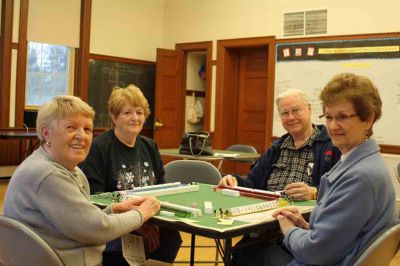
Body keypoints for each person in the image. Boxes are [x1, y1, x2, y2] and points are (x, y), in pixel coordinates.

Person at [236, 73, 399, 266]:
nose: (333, 126)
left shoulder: (360, 177)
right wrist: (305, 226)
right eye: (329, 117)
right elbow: (338, 234)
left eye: (343, 117)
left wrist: (289, 229)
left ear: (368, 119)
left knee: (246, 252)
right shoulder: (357, 163)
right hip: (330, 255)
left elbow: (316, 252)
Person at [4, 95, 160, 266]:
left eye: (87, 129)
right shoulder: (48, 175)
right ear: (46, 133)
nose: (81, 136)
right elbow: (97, 229)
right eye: (71, 128)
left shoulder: (65, 169)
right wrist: (142, 213)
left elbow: (78, 222)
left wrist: (112, 210)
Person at [80, 84, 182, 265]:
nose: (135, 118)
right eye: (127, 113)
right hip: (115, 224)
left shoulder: (150, 146)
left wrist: (150, 220)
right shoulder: (99, 148)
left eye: (140, 112)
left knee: (171, 237)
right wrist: (137, 223)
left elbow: (161, 188)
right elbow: (96, 199)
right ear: (114, 116)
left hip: (149, 218)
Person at [220, 89, 341, 201]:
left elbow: (341, 188)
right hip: (268, 211)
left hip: (307, 216)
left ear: (309, 109)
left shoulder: (332, 145)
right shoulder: (276, 148)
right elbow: (253, 184)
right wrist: (234, 180)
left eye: (296, 110)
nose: (291, 117)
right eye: (285, 113)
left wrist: (314, 192)